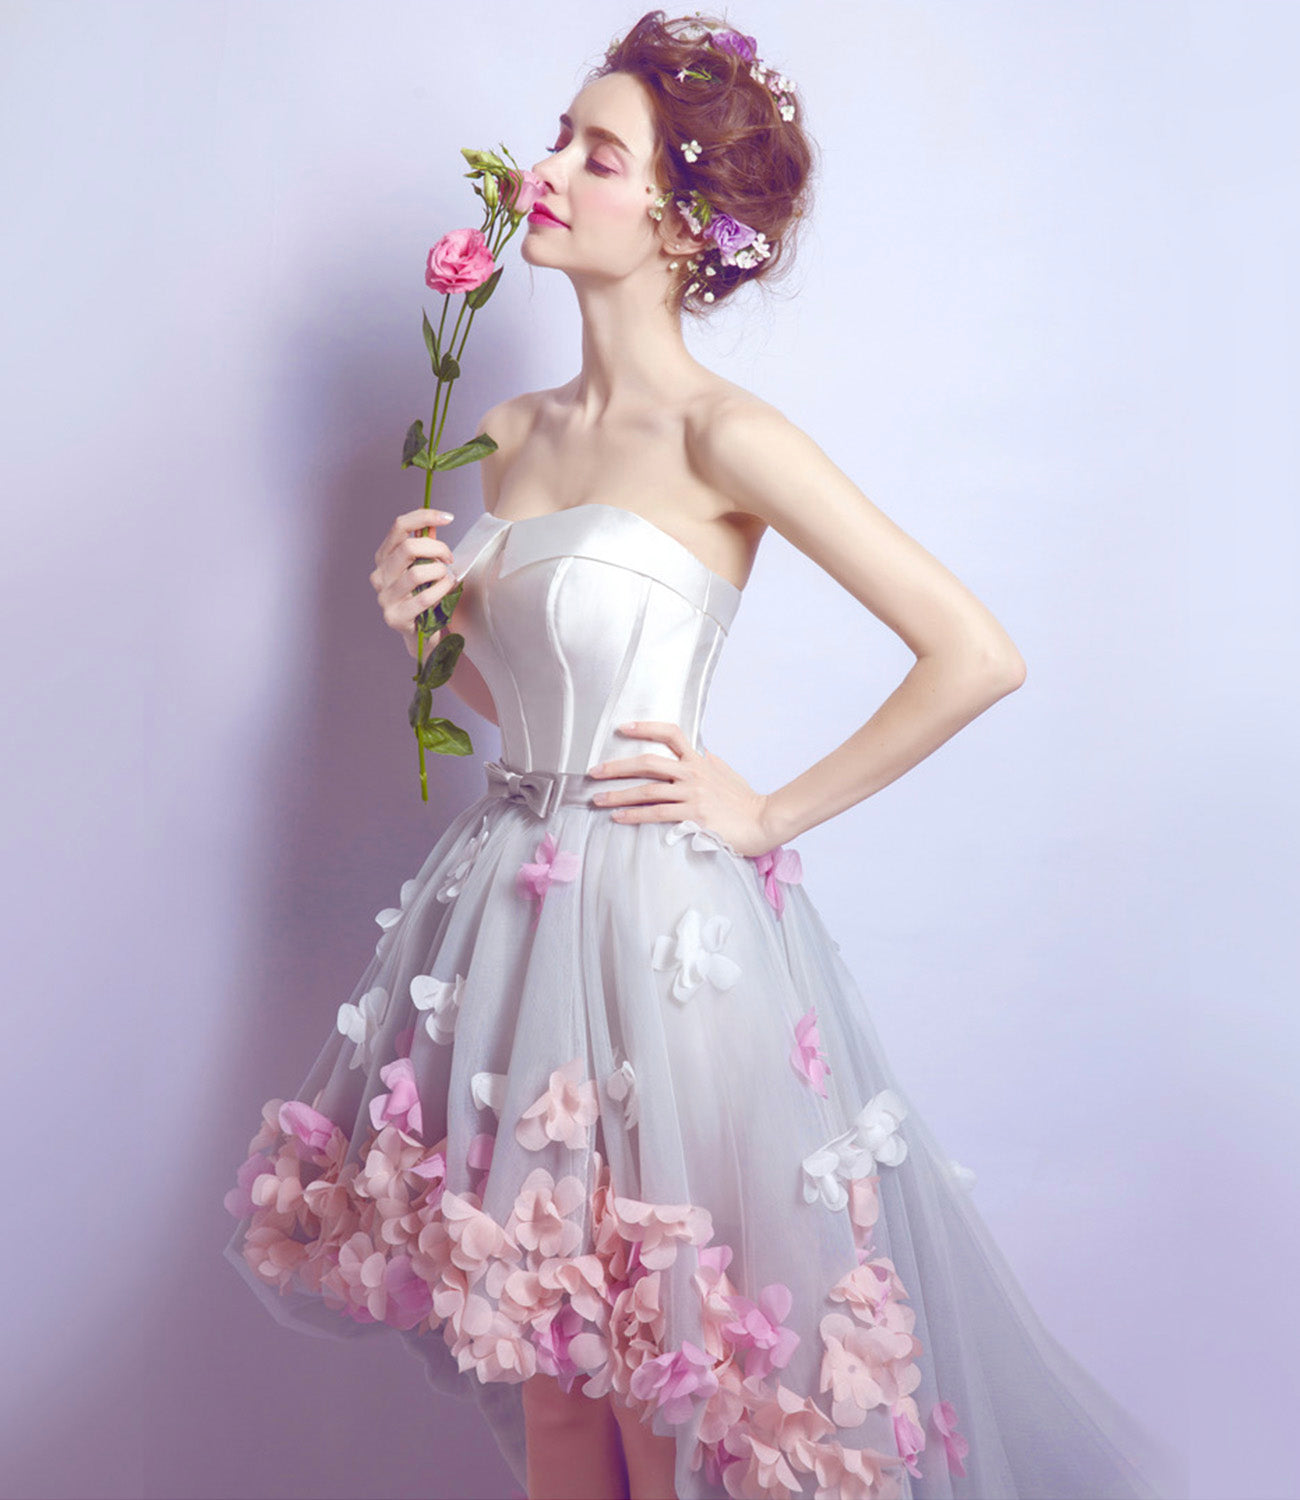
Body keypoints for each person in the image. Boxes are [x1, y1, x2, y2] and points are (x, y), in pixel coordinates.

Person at [224, 13, 1186, 1500]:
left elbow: (975, 652)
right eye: (560, 138)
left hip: (653, 943)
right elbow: (515, 705)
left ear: (682, 226)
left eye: (596, 156)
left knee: (679, 1400)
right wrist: (427, 629)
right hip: (507, 921)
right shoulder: (507, 433)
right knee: (555, 1383)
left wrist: (773, 807)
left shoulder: (726, 436)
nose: (546, 172)